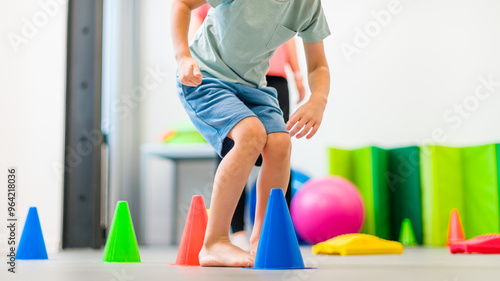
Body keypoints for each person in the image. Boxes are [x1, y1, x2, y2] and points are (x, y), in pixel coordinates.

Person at [171, 0, 330, 267]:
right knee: (251, 134)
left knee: (280, 143)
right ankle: (215, 242)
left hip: (254, 87)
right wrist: (182, 56)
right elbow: (182, 4)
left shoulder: (308, 5)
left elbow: (318, 66)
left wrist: (318, 100)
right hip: (206, 78)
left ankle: (261, 239)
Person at [188, 4, 307, 252]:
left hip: (272, 77)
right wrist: (189, 61)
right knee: (236, 149)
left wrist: (296, 71)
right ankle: (236, 231)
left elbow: (290, 36)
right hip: (226, 74)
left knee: (279, 146)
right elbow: (198, 21)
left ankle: (272, 231)